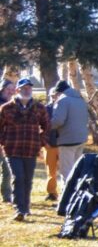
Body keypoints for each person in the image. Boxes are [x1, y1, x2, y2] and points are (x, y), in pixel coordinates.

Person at [0, 78, 50, 220]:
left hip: (31, 149)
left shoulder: (39, 108)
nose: (26, 90)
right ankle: (19, 210)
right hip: (12, 149)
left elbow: (47, 126)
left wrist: (41, 141)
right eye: (23, 88)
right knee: (18, 178)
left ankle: (26, 207)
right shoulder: (6, 108)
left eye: (29, 88)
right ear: (17, 90)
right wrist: (4, 142)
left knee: (28, 179)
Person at [49, 80, 89, 199]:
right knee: (77, 170)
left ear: (59, 92)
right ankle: (78, 196)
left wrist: (46, 126)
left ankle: (66, 199)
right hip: (81, 139)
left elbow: (58, 121)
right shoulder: (81, 100)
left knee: (67, 171)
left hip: (67, 140)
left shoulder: (63, 100)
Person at [42, 87, 60, 201]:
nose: (56, 97)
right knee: (51, 171)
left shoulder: (65, 108)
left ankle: (66, 192)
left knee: (66, 170)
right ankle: (51, 192)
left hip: (64, 143)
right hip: (50, 144)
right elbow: (41, 127)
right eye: (54, 95)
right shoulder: (45, 109)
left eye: (58, 95)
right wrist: (44, 142)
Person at [0, 79, 13, 204]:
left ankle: (6, 196)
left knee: (7, 169)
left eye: (12, 89)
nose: (10, 92)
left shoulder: (13, 104)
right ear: (2, 89)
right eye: (8, 89)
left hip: (8, 141)